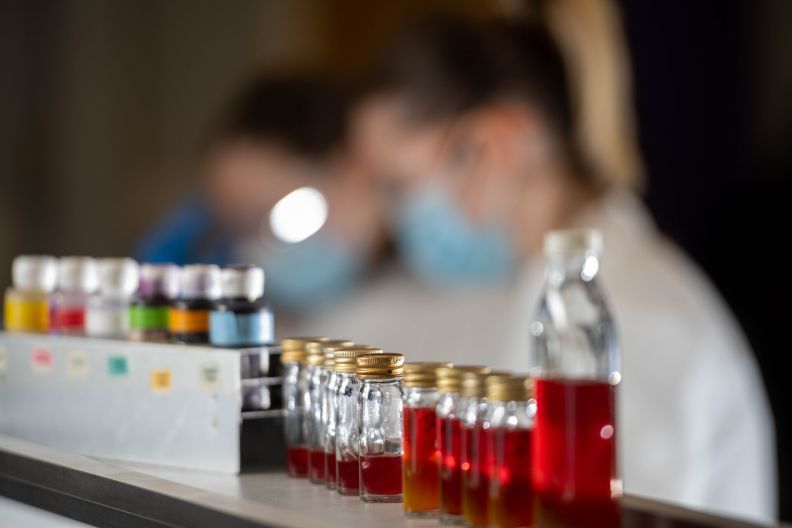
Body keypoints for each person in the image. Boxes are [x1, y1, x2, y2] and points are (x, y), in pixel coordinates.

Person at [293, 5, 776, 524]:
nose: (392, 219)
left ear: (495, 142)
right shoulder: (534, 290)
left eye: (397, 186)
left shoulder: (632, 317)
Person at [136, 74, 383, 315]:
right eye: (240, 229)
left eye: (278, 220)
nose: (255, 251)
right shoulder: (195, 245)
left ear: (353, 175)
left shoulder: (401, 307)